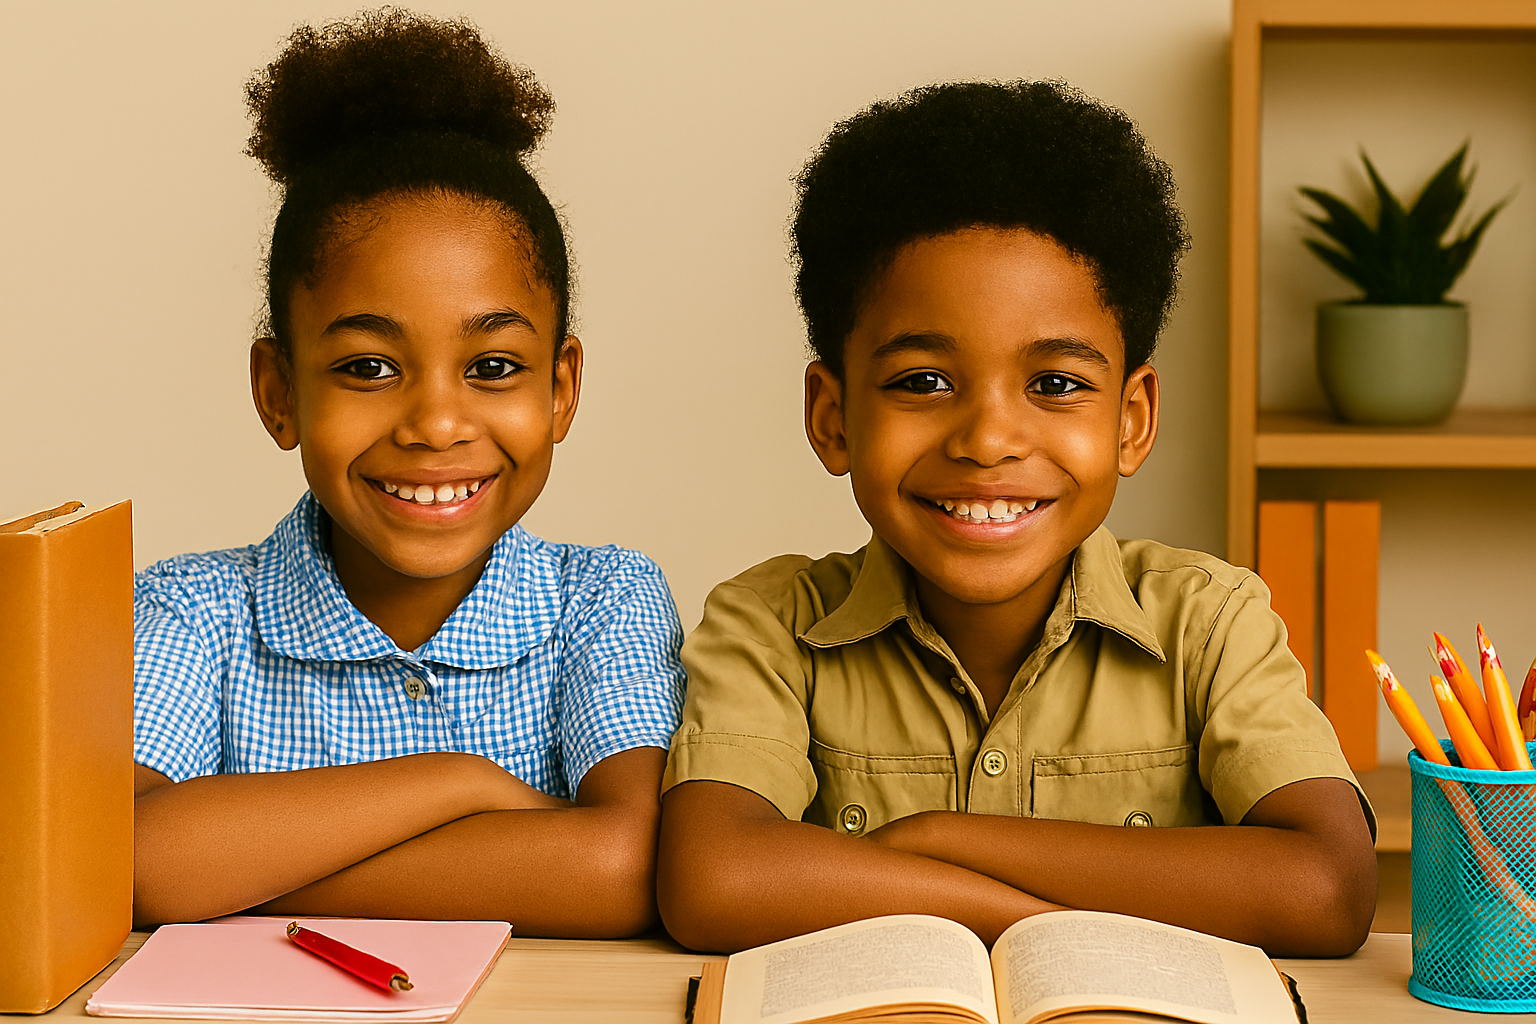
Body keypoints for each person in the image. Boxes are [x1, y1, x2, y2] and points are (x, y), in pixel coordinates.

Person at [657, 80, 1377, 957]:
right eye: (923, 381)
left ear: (1131, 420)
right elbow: (713, 880)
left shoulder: (1210, 621)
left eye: (1056, 385)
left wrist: (936, 840)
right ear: (833, 415)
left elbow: (1329, 888)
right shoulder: (769, 625)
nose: (990, 439)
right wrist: (1035, 924)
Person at [131, 9, 685, 935]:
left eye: (494, 368)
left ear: (562, 388)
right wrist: (455, 784)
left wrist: (235, 871)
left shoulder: (606, 600)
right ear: (279, 392)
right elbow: (130, 859)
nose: (435, 423)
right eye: (367, 367)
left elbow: (626, 866)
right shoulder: (189, 614)